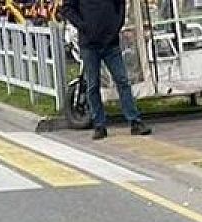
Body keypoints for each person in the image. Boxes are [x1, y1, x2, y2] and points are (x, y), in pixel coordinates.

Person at [62, 0, 153, 140]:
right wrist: (83, 26)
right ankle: (99, 125)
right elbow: (67, 8)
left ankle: (135, 121)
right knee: (93, 85)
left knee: (122, 80)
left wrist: (116, 26)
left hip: (111, 43)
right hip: (89, 45)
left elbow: (120, 4)